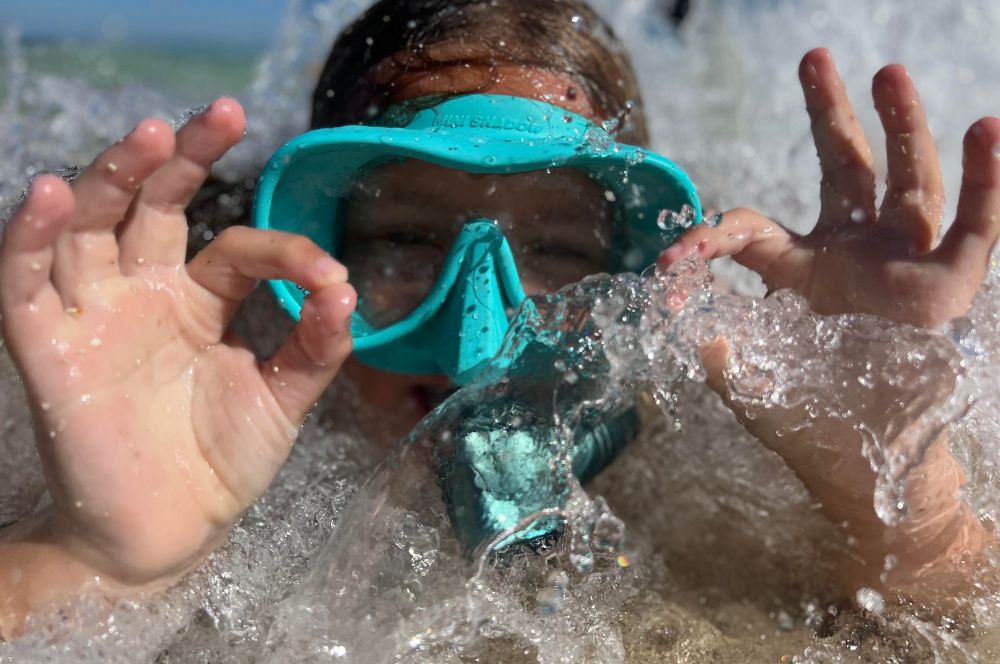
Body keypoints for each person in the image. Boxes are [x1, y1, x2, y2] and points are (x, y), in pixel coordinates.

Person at [1, 0, 998, 642]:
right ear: (300, 255)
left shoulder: (702, 478)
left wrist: (901, 502)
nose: (479, 339)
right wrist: (92, 559)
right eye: (402, 242)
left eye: (560, 255)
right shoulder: (218, 485)